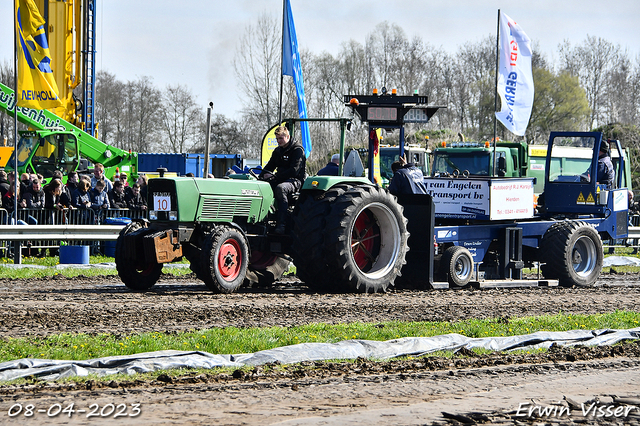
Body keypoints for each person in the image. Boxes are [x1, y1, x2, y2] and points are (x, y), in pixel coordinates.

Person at [258, 125, 306, 234]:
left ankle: (281, 223)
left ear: (287, 136)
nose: (278, 141)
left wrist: (276, 176)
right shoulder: (278, 151)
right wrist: (261, 177)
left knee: (281, 189)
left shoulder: (297, 150)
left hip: (295, 180)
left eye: (281, 138)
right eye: (277, 139)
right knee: (262, 186)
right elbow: (269, 166)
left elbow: (294, 170)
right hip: (280, 178)